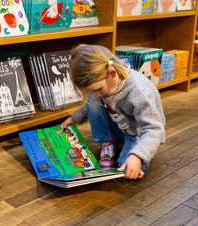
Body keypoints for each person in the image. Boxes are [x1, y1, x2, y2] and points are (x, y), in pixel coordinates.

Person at [61, 44, 166, 179]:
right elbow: (90, 105)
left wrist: (137, 155)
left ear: (112, 73)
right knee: (94, 100)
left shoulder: (140, 92)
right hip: (121, 125)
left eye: (99, 89)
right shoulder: (106, 86)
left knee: (126, 169)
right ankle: (108, 141)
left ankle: (135, 152)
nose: (98, 94)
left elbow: (154, 129)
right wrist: (74, 118)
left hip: (139, 134)